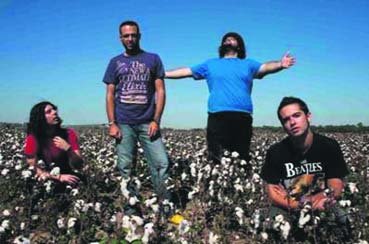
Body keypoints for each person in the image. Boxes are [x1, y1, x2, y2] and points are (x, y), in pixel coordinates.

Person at [165, 32, 295, 162]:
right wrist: (163, 74)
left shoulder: (248, 64)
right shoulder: (210, 64)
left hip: (242, 116)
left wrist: (280, 64)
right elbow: (187, 71)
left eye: (232, 39)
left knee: (242, 156)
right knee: (216, 156)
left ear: (239, 46)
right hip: (217, 115)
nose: (228, 40)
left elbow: (265, 67)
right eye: (226, 40)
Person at [260, 97, 350, 239]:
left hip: (321, 203)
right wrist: (302, 205)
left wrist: (316, 199)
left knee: (341, 220)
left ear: (308, 116)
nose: (292, 122)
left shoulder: (329, 146)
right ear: (283, 125)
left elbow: (336, 187)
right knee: (271, 224)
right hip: (288, 207)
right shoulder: (276, 152)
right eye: (286, 119)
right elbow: (273, 193)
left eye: (297, 115)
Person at [102, 20, 170, 206]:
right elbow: (109, 94)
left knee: (161, 163)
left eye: (133, 35)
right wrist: (112, 123)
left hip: (148, 121)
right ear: (120, 38)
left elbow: (160, 91)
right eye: (126, 36)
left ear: (139, 36)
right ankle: (131, 209)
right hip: (123, 122)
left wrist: (156, 120)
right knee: (125, 167)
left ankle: (165, 206)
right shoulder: (115, 62)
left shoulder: (153, 59)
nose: (130, 38)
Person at [24, 101, 84, 184]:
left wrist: (68, 149)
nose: (55, 112)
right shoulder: (33, 138)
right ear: (40, 118)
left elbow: (79, 165)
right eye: (49, 112)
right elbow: (32, 167)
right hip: (43, 180)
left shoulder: (68, 134)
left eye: (54, 109)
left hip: (68, 177)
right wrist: (57, 177)